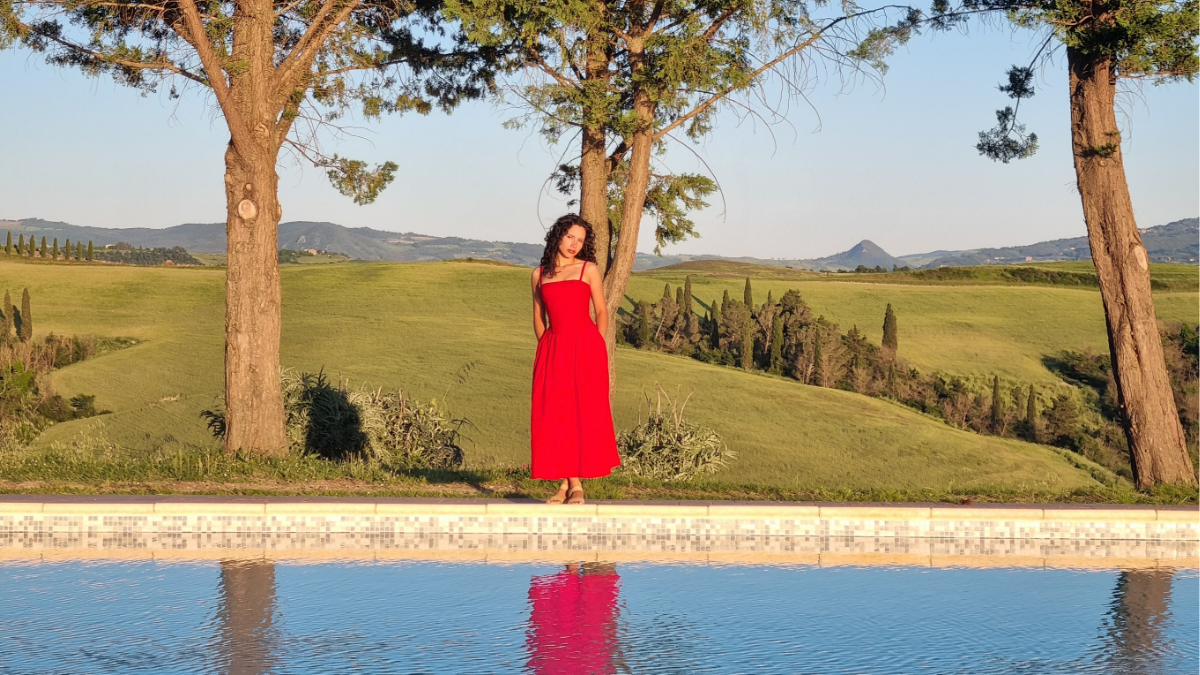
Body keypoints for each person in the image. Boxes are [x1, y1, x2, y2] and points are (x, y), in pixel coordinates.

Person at [530, 214, 620, 504]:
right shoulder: (539, 274)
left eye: (580, 240)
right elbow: (538, 316)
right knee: (556, 415)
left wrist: (597, 345)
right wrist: (546, 346)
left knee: (581, 414)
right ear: (558, 235)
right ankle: (568, 484)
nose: (574, 244)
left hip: (586, 348)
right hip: (553, 350)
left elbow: (602, 311)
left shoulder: (588, 269)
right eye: (570, 236)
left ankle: (571, 485)